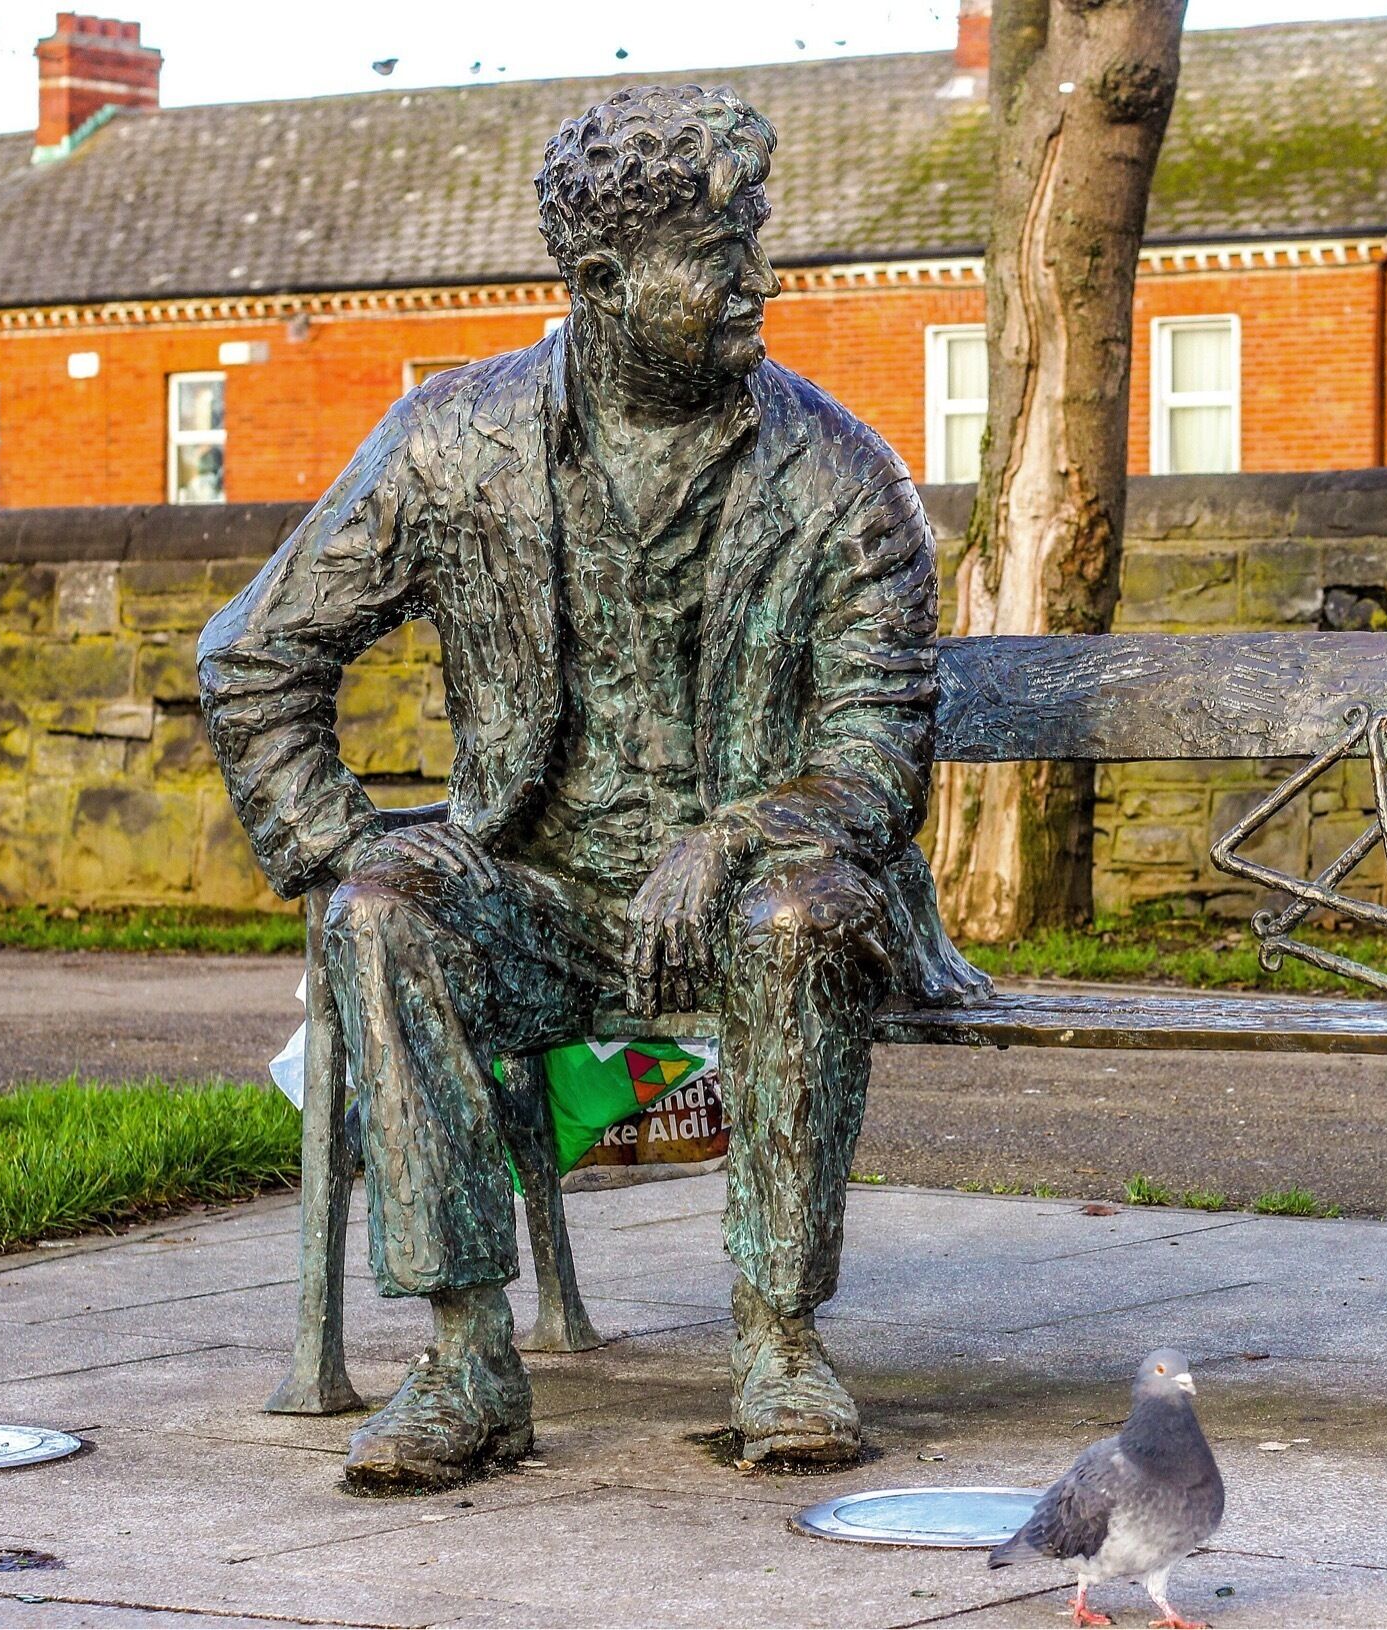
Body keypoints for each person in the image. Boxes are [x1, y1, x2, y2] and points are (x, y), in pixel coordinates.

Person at [198, 84, 985, 1491]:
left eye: (754, 242)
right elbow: (253, 659)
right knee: (381, 913)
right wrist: (344, 844)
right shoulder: (455, 443)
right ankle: (465, 1357)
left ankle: (779, 1339)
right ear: (606, 282)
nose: (758, 280)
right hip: (542, 896)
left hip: (763, 892)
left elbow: (875, 758)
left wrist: (731, 839)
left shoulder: (840, 475)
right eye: (719, 254)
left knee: (799, 919)